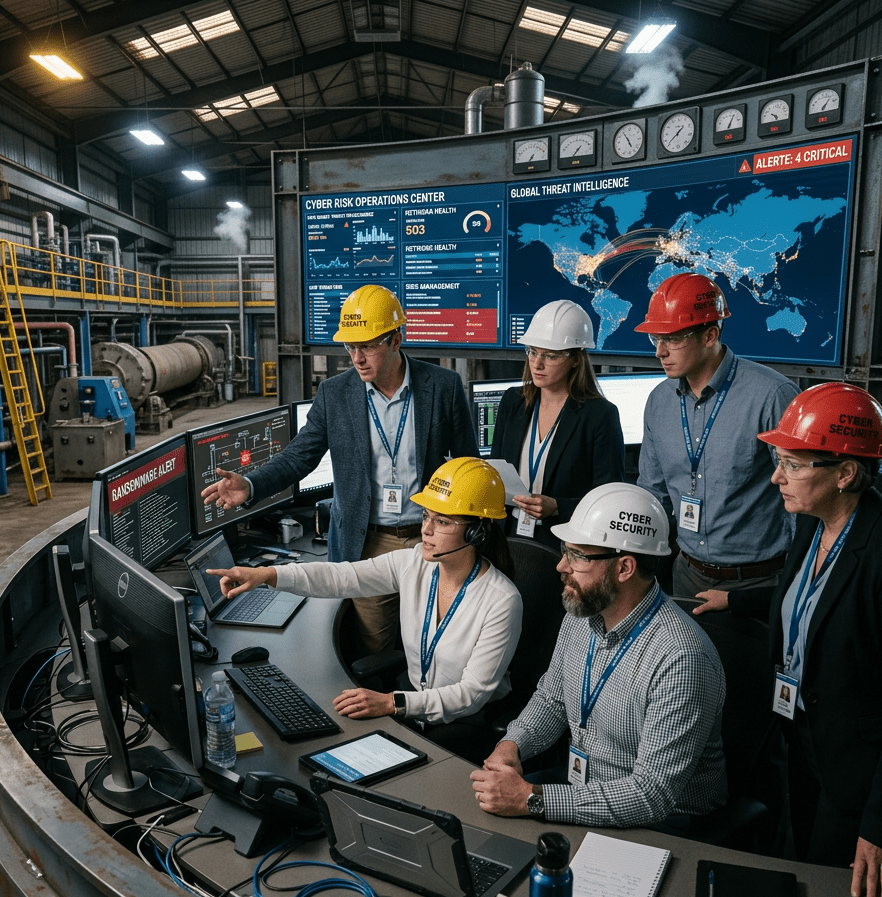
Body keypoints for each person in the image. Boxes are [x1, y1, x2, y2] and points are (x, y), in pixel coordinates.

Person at [200, 284, 477, 655]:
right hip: (368, 542)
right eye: (350, 347)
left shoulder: (442, 386)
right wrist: (251, 485)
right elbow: (299, 456)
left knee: (441, 643)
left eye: (367, 346)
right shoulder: (335, 394)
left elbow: (467, 465)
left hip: (432, 537)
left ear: (396, 340)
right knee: (375, 648)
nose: (357, 358)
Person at [693, 382, 882, 897]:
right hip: (798, 737)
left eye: (793, 465)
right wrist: (737, 601)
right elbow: (806, 595)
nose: (776, 477)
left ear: (845, 473)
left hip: (852, 769)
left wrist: (878, 824)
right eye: (779, 461)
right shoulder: (812, 524)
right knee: (800, 860)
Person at [208, 458, 522, 762]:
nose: (426, 529)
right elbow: (341, 577)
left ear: (477, 532)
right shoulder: (414, 563)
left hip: (466, 721)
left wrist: (391, 703)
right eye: (426, 516)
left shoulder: (501, 600)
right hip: (411, 706)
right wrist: (266, 575)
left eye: (442, 521)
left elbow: (471, 695)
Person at [470, 482, 727, 828]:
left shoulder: (681, 658)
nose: (561, 566)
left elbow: (650, 795)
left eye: (578, 555)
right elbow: (552, 700)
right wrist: (512, 745)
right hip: (583, 787)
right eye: (565, 551)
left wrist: (530, 799)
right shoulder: (582, 613)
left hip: (665, 823)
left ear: (624, 568)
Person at [635, 273, 799, 599]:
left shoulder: (772, 396)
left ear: (710, 335)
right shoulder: (659, 401)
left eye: (673, 339)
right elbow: (652, 494)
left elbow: (803, 498)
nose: (660, 352)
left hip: (757, 584)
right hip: (686, 575)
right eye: (656, 338)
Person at [491, 299, 624, 547]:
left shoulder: (600, 415)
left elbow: (608, 499)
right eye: (533, 352)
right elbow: (496, 468)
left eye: (550, 356)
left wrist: (557, 507)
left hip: (563, 542)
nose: (537, 364)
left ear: (575, 359)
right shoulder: (513, 401)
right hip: (507, 537)